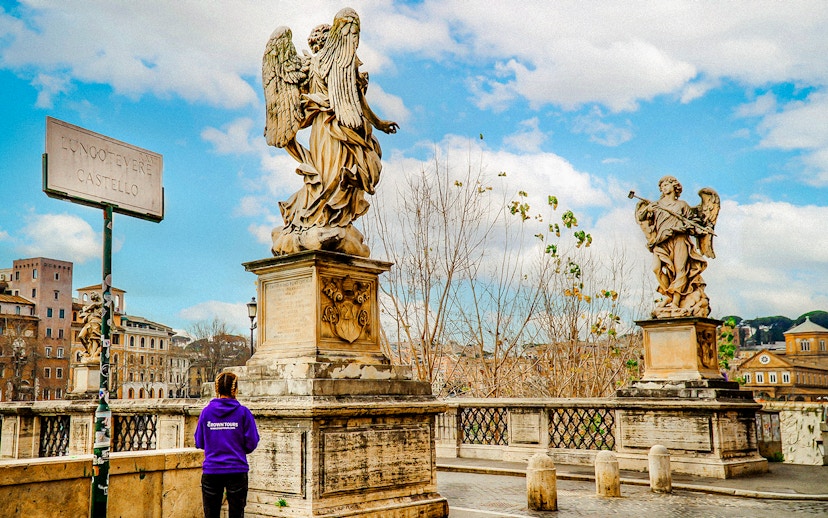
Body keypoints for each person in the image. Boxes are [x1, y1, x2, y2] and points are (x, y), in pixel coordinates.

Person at [195, 372, 260, 518]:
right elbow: (252, 442)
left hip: (212, 469)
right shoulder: (243, 413)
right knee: (237, 513)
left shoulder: (206, 413)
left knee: (211, 514)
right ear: (235, 389)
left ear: (216, 390)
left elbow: (199, 442)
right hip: (236, 469)